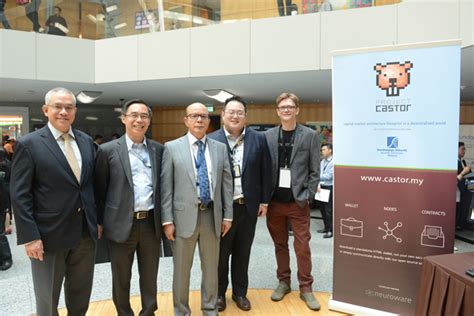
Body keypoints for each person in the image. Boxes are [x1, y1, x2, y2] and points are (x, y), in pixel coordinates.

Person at [10, 87, 98, 316]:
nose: (63, 112)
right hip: (48, 237)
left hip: (84, 235)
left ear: (75, 111)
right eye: (58, 107)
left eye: (69, 107)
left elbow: (90, 185)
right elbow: (20, 195)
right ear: (46, 110)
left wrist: (96, 220)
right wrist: (30, 236)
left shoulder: (86, 141)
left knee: (80, 296)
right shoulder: (29, 144)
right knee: (47, 300)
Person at [161, 102, 233, 316]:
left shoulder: (220, 149)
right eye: (194, 116)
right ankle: (181, 310)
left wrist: (228, 215)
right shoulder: (171, 147)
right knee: (182, 270)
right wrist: (167, 220)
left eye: (203, 116)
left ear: (209, 121)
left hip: (212, 215)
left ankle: (210, 308)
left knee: (211, 269)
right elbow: (166, 187)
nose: (199, 120)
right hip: (183, 219)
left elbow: (226, 185)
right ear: (186, 120)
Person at [95, 99, 164, 316]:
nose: (139, 120)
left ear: (149, 121)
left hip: (150, 223)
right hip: (119, 224)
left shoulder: (159, 150)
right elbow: (99, 191)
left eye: (144, 116)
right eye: (134, 115)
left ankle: (149, 311)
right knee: (121, 276)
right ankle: (124, 313)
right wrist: (100, 222)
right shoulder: (106, 151)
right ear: (124, 118)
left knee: (150, 274)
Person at [208, 96, 272, 312]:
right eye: (231, 112)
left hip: (248, 207)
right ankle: (219, 294)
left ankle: (240, 293)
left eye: (240, 112)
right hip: (222, 209)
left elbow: (266, 171)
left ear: (245, 116)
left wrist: (264, 200)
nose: (235, 116)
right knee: (221, 254)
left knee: (243, 252)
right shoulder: (212, 139)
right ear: (223, 115)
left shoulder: (258, 139)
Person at [264, 92, 321, 311]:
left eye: (290, 107)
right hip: (275, 202)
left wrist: (308, 196)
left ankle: (306, 287)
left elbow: (315, 170)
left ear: (297, 110)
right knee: (280, 245)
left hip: (298, 202)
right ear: (278, 111)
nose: (286, 110)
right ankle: (284, 282)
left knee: (302, 246)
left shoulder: (309, 135)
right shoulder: (268, 136)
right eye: (282, 107)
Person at [318, 143, 333, 238]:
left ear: (330, 150)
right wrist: (318, 183)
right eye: (322, 150)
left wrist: (316, 177)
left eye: (324, 149)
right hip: (321, 187)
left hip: (329, 187)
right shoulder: (322, 161)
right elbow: (321, 173)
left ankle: (330, 230)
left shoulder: (334, 162)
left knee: (328, 210)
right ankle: (326, 227)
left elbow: (329, 176)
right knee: (322, 209)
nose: (322, 151)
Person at [0, 149, 12, 271]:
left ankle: (6, 258)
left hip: (1, 205)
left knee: (0, 233)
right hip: (4, 202)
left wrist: (7, 208)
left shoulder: (5, 165)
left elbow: (3, 190)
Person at [457, 141, 472, 230]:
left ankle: (464, 222)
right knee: (462, 207)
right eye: (462, 149)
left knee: (467, 205)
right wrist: (465, 171)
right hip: (459, 189)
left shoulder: (463, 161)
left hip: (467, 188)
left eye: (464, 149)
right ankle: (460, 224)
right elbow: (460, 174)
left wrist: (469, 171)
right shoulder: (453, 161)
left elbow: (467, 174)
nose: (464, 151)